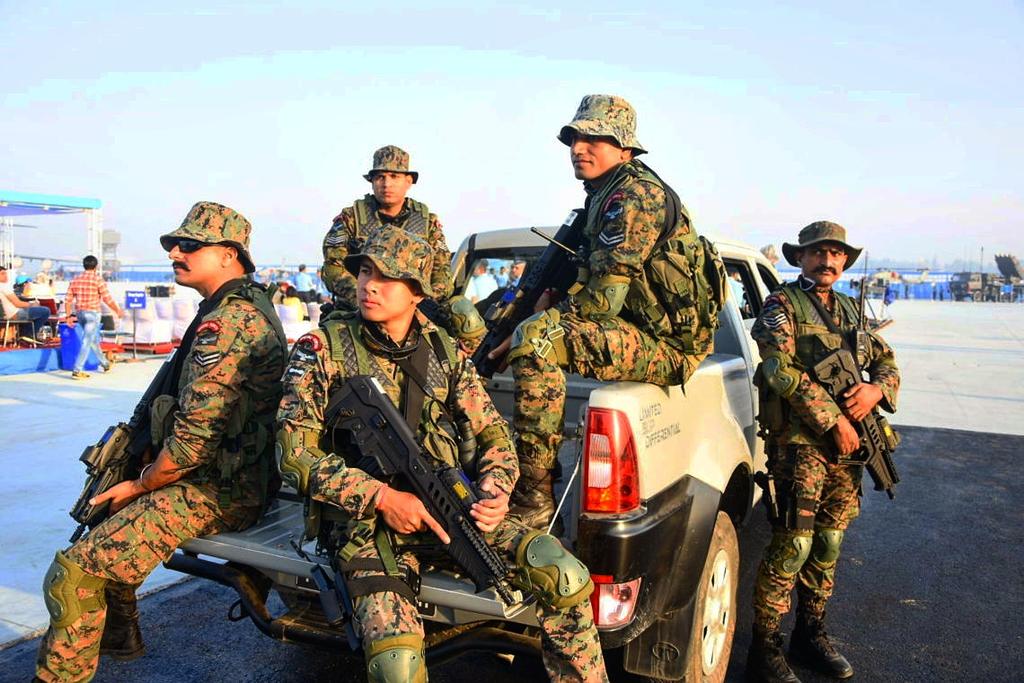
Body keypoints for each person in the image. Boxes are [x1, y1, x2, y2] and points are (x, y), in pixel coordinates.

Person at [277, 226, 608, 683]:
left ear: (417, 292)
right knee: (397, 665)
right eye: (365, 271)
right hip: (368, 526)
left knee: (562, 575)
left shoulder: (441, 349)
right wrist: (382, 499)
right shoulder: (323, 349)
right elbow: (294, 455)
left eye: (387, 277)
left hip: (452, 510)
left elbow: (494, 434)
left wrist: (496, 487)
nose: (370, 284)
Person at [35, 201, 287, 683]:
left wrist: (139, 485)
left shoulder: (228, 322)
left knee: (73, 575)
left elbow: (192, 442)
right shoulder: (235, 306)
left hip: (221, 490)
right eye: (173, 243)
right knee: (104, 519)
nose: (175, 251)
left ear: (230, 254)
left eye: (190, 245)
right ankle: (118, 634)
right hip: (223, 477)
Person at [499, 94, 719, 529]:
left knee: (536, 340)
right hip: (641, 331)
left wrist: (538, 320)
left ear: (625, 148)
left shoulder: (634, 196)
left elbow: (602, 304)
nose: (579, 147)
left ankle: (536, 496)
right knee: (516, 328)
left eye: (594, 138)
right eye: (575, 138)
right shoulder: (602, 196)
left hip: (671, 348)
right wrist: (543, 304)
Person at [746, 221, 900, 683]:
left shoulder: (854, 311)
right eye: (817, 253)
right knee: (793, 544)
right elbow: (778, 368)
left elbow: (886, 361)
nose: (827, 261)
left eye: (836, 254)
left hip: (848, 450)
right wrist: (831, 420)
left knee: (830, 543)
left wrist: (876, 390)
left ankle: (810, 634)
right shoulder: (781, 307)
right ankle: (764, 647)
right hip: (800, 446)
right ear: (800, 258)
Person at [321, 145, 453, 309]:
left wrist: (428, 302)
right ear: (372, 182)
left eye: (394, 176)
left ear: (408, 181)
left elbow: (442, 270)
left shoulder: (427, 222)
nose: (386, 184)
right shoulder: (351, 218)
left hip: (412, 311)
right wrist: (362, 298)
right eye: (380, 177)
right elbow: (333, 267)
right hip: (359, 309)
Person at [64, 255, 124, 379]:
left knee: (92, 340)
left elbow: (68, 300)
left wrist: (68, 316)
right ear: (96, 266)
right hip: (92, 314)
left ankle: (105, 364)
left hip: (80, 313)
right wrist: (117, 310)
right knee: (87, 341)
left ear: (84, 265)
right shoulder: (98, 280)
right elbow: (107, 299)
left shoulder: (76, 279)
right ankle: (77, 370)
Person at [0, 265, 51, 337]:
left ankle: (24, 334)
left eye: (6, 273)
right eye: (2, 274)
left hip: (5, 316)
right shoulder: (4, 287)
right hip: (15, 314)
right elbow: (18, 304)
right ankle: (27, 335)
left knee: (33, 311)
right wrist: (32, 304)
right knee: (46, 311)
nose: (5, 275)